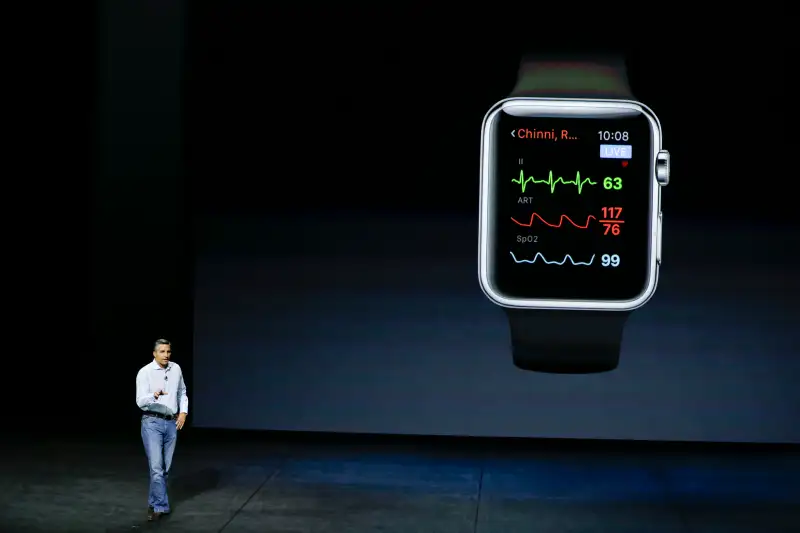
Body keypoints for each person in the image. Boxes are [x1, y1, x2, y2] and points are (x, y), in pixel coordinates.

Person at [135, 338, 188, 521]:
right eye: (162, 352)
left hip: (171, 423)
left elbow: (182, 392)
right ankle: (160, 506)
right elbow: (140, 401)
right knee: (156, 467)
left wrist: (183, 412)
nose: (166, 355)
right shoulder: (145, 372)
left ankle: (153, 502)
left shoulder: (176, 369)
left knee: (164, 469)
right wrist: (153, 395)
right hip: (152, 422)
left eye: (168, 351)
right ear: (154, 353)